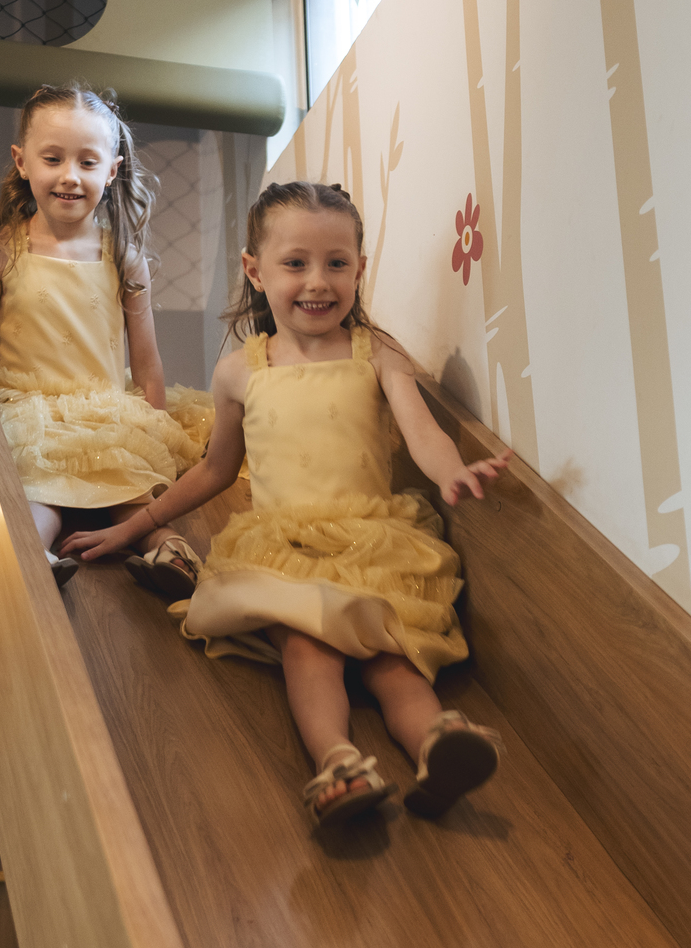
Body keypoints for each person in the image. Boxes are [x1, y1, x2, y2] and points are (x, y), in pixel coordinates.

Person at [61, 179, 510, 827]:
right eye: (296, 263)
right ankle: (339, 762)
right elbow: (215, 469)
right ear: (256, 270)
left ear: (360, 268)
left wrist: (454, 475)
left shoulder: (377, 354)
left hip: (371, 542)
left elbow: (423, 433)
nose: (317, 282)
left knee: (394, 656)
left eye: (337, 263)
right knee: (308, 647)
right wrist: (134, 527)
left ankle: (438, 743)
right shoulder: (241, 372)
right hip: (284, 548)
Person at [0, 82, 210, 593]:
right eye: (53, 159)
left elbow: (147, 361)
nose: (70, 176)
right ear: (22, 161)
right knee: (40, 491)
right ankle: (35, 556)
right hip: (28, 409)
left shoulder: (123, 257)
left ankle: (170, 551)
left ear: (112, 171)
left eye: (88, 162)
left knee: (130, 493)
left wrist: (154, 430)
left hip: (105, 409)